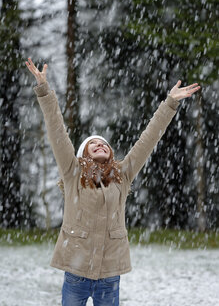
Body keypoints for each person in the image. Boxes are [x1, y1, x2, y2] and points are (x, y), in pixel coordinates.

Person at [25, 57, 201, 306]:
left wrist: (169, 104)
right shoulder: (72, 172)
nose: (100, 144)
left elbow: (148, 139)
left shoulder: (122, 174)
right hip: (76, 272)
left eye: (104, 143)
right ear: (83, 154)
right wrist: (44, 90)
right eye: (93, 144)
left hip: (109, 275)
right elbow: (57, 130)